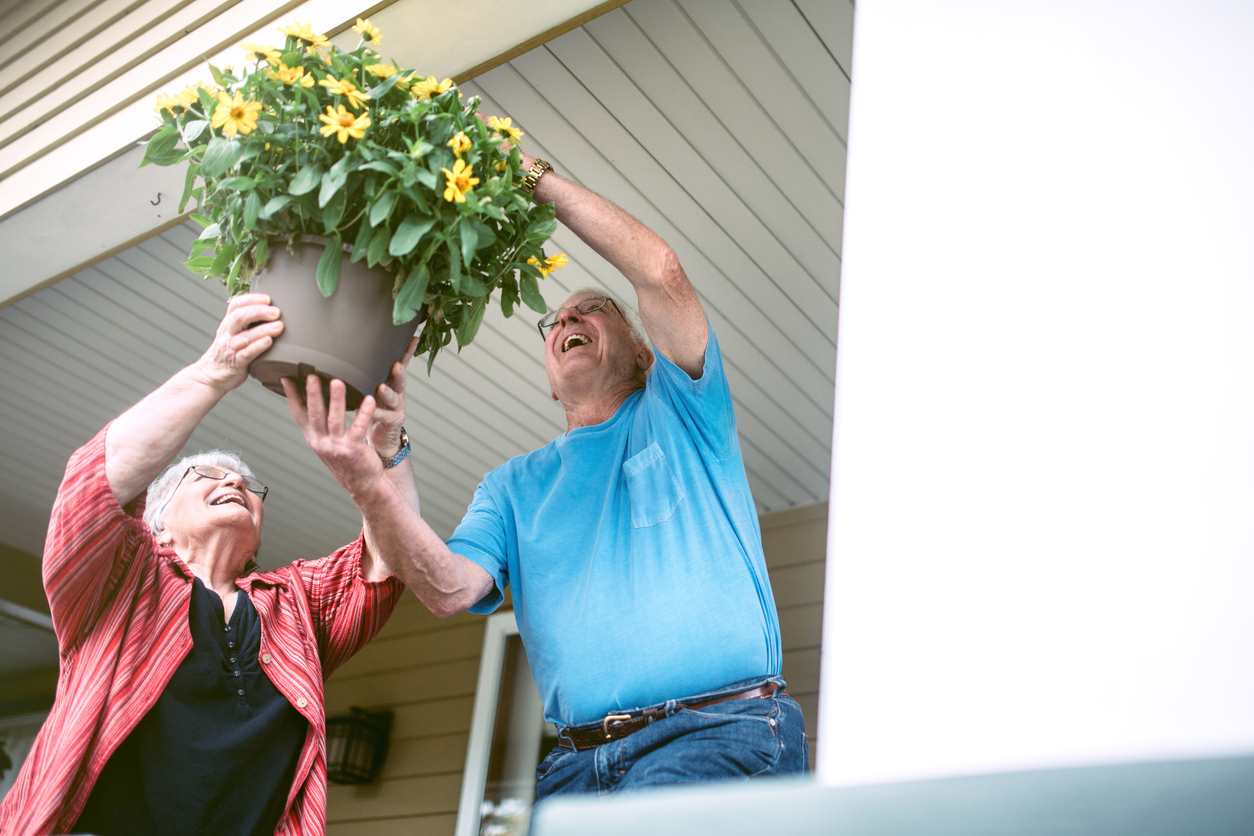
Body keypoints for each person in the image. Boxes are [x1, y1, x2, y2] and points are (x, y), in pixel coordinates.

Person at [387, 152, 809, 798]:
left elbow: (662, 275)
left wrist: (536, 184)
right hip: (576, 766)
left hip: (717, 731)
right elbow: (445, 588)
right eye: (552, 320)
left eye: (592, 309)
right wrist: (378, 462)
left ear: (643, 353)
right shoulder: (510, 487)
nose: (566, 320)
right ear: (551, 385)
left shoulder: (684, 409)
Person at [0, 294, 424, 836]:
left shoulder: (296, 603)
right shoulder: (121, 577)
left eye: (248, 484)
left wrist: (387, 444)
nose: (233, 483)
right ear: (156, 525)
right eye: (204, 475)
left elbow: (392, 559)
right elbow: (95, 483)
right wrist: (215, 371)